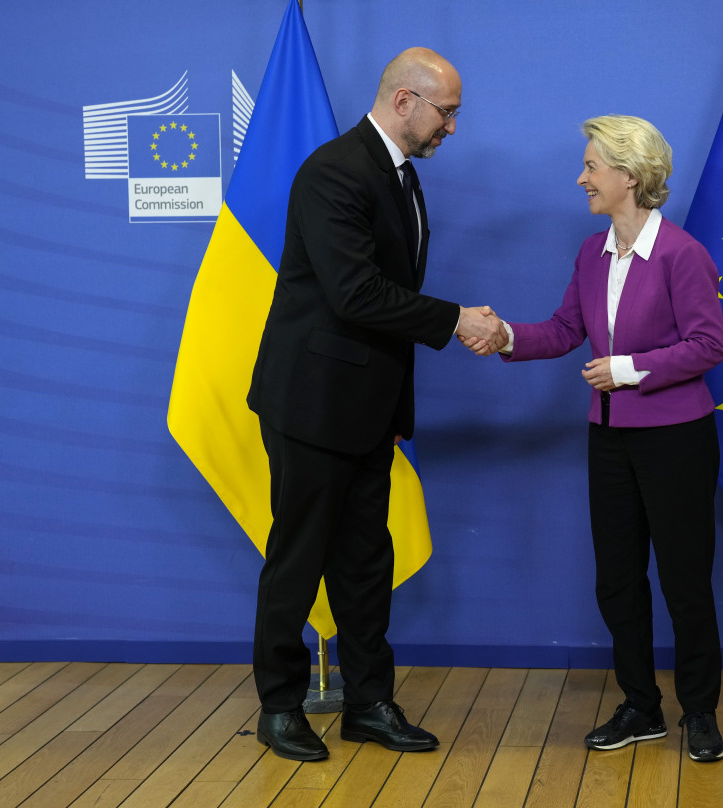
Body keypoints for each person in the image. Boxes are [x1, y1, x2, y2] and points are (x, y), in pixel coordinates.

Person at [246, 47, 507, 762]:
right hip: (311, 404)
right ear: (403, 102)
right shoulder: (334, 171)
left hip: (365, 408)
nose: (451, 127)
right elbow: (355, 294)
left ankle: (369, 703)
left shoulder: (400, 176)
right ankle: (279, 706)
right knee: (299, 558)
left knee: (366, 559)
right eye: (446, 112)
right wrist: (456, 319)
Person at [469, 115, 723, 762]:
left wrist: (628, 370)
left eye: (591, 165)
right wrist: (506, 337)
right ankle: (641, 706)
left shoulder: (682, 254)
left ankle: (700, 711)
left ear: (629, 176)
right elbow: (563, 329)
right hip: (609, 441)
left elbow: (708, 345)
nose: (581, 177)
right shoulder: (591, 252)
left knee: (685, 581)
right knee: (616, 581)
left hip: (676, 440)